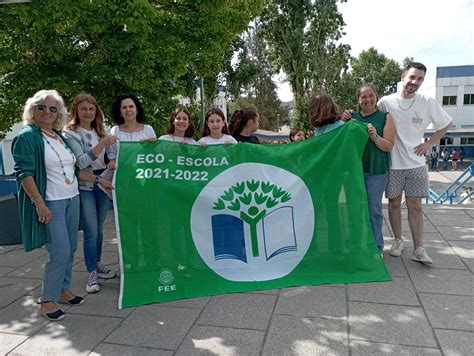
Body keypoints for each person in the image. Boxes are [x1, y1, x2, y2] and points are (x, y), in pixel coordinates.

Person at [12, 90, 83, 321]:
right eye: (42, 106)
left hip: (72, 199)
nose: (47, 112)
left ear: (59, 113)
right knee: (60, 251)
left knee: (70, 248)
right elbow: (24, 173)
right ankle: (47, 300)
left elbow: (72, 167)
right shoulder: (28, 136)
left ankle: (62, 289)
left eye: (53, 108)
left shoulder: (58, 136)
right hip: (51, 202)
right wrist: (39, 203)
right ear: (32, 110)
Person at [378, 62, 452, 264]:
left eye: (420, 79)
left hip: (417, 164)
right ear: (403, 76)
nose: (415, 82)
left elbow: (446, 124)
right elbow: (373, 120)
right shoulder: (386, 102)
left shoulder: (427, 102)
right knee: (393, 204)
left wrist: (429, 143)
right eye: (412, 77)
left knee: (416, 206)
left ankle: (419, 249)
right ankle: (398, 241)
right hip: (393, 163)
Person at [62, 94, 117, 294]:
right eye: (84, 109)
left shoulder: (99, 130)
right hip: (86, 185)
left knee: (100, 230)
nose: (88, 112)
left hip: (104, 183)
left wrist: (111, 158)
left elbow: (108, 155)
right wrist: (102, 144)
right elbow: (82, 162)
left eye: (91, 109)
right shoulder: (70, 133)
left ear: (96, 112)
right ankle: (91, 271)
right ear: (76, 110)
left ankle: (98, 263)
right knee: (91, 230)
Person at [351, 84, 395, 255]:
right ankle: (357, 247)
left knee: (373, 210)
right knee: (354, 209)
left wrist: (375, 137)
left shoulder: (385, 117)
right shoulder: (352, 119)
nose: (367, 100)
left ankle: (376, 249)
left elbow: (389, 145)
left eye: (371, 96)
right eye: (363, 96)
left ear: (376, 97)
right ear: (358, 99)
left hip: (376, 172)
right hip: (354, 171)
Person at [108, 94, 157, 160]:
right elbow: (112, 154)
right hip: (122, 169)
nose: (128, 109)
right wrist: (112, 162)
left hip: (143, 169)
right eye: (124, 107)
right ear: (120, 113)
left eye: (131, 106)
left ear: (137, 110)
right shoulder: (115, 130)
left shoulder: (148, 129)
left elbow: (154, 153)